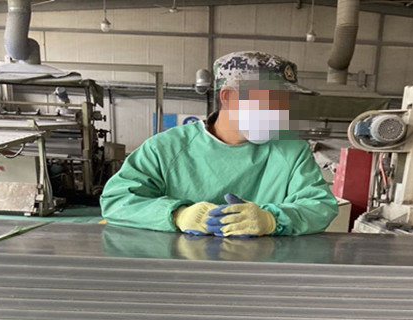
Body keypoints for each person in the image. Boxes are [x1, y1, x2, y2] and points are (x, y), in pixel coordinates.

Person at [100, 51, 338, 237]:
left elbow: (320, 206)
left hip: (262, 270)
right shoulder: (166, 148)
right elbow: (117, 200)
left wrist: (271, 219)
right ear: (229, 97)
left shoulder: (292, 150)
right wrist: (177, 215)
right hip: (179, 269)